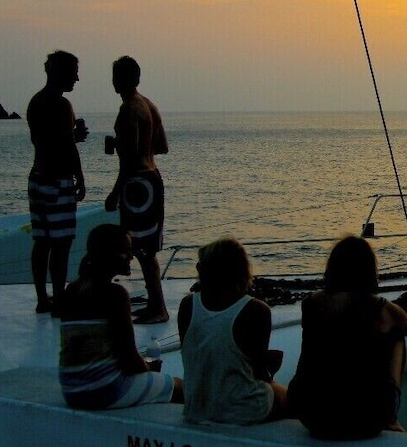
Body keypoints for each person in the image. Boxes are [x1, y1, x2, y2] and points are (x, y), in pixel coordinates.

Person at [288, 235, 407, 439]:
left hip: (312, 416)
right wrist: (396, 313)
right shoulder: (380, 308)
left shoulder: (311, 304)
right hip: (365, 420)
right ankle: (392, 418)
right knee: (397, 334)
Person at [57, 224, 182, 409]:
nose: (131, 256)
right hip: (103, 390)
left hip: (71, 390)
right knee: (181, 387)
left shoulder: (71, 290)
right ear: (108, 253)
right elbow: (129, 358)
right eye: (126, 251)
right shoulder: (115, 295)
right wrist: (149, 369)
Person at [178, 238, 287, 425]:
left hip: (196, 408)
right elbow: (259, 373)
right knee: (287, 396)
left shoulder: (188, 305)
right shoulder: (255, 310)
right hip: (239, 409)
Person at [105, 56, 170, 324]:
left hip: (138, 183)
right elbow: (162, 146)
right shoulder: (149, 106)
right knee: (146, 248)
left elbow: (129, 157)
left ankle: (158, 307)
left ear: (117, 80)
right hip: (152, 177)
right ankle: (155, 303)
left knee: (142, 249)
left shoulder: (129, 109)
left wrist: (115, 192)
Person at [26, 50, 88, 314]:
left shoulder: (35, 101)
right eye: (74, 71)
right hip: (58, 181)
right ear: (61, 72)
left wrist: (70, 136)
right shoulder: (62, 106)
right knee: (61, 244)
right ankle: (60, 300)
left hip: (38, 178)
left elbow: (44, 141)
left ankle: (43, 298)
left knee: (42, 242)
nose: (77, 77)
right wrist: (81, 177)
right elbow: (65, 147)